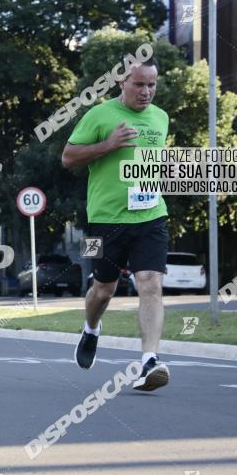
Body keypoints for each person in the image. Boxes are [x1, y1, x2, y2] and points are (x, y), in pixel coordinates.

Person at [61, 56, 170, 392]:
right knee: (103, 289)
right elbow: (67, 157)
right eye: (139, 84)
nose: (146, 91)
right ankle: (92, 328)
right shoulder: (100, 114)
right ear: (121, 82)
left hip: (151, 214)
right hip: (105, 220)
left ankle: (149, 359)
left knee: (150, 283)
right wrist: (108, 145)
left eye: (151, 84)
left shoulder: (161, 118)